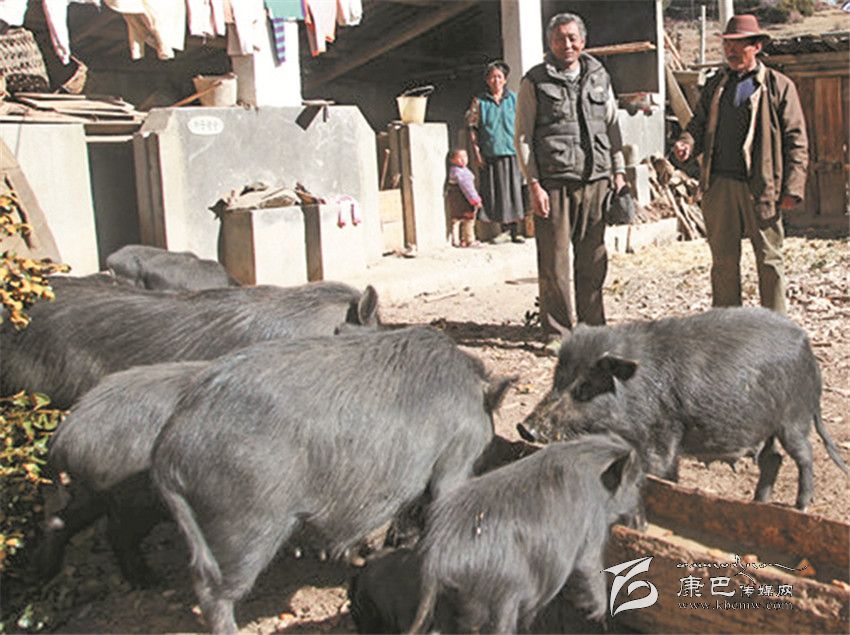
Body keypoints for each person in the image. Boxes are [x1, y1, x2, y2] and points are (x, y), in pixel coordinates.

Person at [673, 14, 808, 315]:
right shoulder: (716, 85)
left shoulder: (777, 86)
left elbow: (797, 141)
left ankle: (774, 329)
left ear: (756, 46)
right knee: (723, 262)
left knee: (769, 260)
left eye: (738, 45)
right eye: (727, 45)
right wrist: (686, 143)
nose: (731, 51)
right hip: (719, 184)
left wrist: (792, 188)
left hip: (761, 186)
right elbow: (697, 124)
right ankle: (727, 329)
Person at [514, 12, 626, 353]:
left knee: (593, 259)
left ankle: (593, 330)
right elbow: (523, 136)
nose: (567, 44)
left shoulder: (599, 76)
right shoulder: (534, 81)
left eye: (572, 38)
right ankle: (557, 333)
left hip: (596, 180)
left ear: (583, 41)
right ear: (550, 43)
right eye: (559, 38)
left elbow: (612, 126)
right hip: (554, 184)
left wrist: (618, 172)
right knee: (554, 263)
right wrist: (534, 184)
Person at [466, 60, 526, 244]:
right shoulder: (480, 102)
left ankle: (516, 231)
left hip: (512, 151)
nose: (496, 80)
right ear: (487, 80)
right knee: (496, 192)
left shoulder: (514, 100)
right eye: (492, 77)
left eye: (499, 77)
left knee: (514, 191)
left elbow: (524, 123)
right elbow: (472, 127)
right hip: (491, 152)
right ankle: (503, 230)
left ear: (505, 80)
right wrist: (477, 152)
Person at [445, 148, 483, 248]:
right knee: (468, 220)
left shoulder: (453, 171)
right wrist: (475, 200)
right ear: (452, 160)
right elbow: (468, 188)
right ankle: (469, 240)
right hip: (464, 200)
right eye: (459, 157)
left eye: (465, 157)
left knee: (456, 220)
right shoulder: (462, 173)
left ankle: (456, 240)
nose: (463, 159)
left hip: (454, 200)